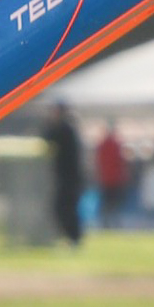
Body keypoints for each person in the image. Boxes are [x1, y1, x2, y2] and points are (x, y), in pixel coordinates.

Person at [48, 100, 84, 242]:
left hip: (70, 176)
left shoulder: (65, 129)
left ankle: (73, 237)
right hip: (69, 176)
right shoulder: (69, 128)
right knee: (66, 207)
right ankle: (71, 237)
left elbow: (49, 136)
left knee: (65, 207)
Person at [93, 119, 130, 225]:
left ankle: (106, 221)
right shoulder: (116, 145)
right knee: (114, 202)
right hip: (115, 178)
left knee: (106, 201)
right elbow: (121, 162)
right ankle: (113, 221)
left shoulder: (102, 145)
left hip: (105, 178)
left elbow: (98, 163)